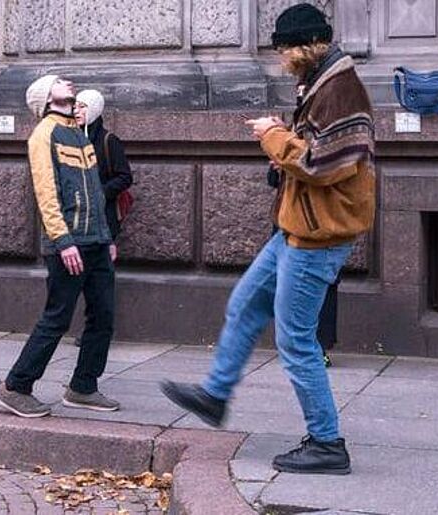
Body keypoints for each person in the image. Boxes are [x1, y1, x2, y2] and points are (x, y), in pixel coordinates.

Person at [159, 3, 375, 476]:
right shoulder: (321, 85)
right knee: (244, 304)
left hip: (316, 236)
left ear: (304, 47)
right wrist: (284, 147)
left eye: (283, 51)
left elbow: (325, 165)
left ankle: (326, 443)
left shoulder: (341, 90)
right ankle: (216, 395)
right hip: (297, 227)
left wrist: (274, 136)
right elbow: (317, 158)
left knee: (297, 341)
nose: (281, 60)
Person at [0, 75, 119, 418]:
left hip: (95, 242)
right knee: (57, 318)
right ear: (46, 96)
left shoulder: (80, 131)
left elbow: (95, 191)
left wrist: (107, 237)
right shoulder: (43, 134)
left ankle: (83, 386)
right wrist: (64, 242)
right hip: (69, 245)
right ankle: (16, 387)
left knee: (103, 316)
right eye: (59, 81)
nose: (69, 83)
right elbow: (46, 193)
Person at [75, 89, 133, 258]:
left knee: (100, 269)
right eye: (75, 106)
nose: (76, 111)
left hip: (103, 217)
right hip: (78, 217)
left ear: (93, 109)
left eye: (82, 106)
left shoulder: (108, 141)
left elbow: (125, 177)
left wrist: (100, 193)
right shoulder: (72, 139)